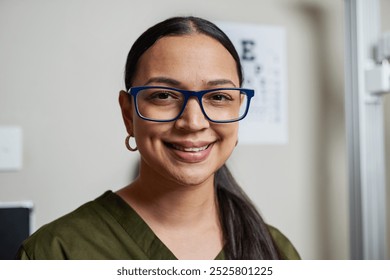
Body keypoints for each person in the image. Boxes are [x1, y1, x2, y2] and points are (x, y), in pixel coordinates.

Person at [17, 16, 300, 260]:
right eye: (164, 95)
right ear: (129, 114)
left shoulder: (276, 251)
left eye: (218, 97)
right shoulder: (56, 252)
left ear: (238, 109)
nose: (193, 122)